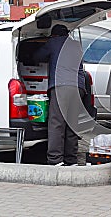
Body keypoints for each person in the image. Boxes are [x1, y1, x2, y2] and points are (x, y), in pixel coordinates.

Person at [33, 24, 86, 166]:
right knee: (72, 124)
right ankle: (71, 160)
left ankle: (55, 160)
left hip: (61, 86)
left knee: (57, 123)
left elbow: (37, 56)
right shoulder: (76, 45)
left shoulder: (53, 43)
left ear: (54, 35)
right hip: (78, 87)